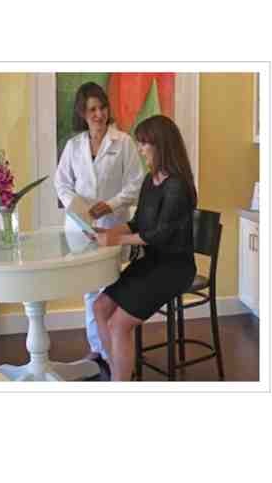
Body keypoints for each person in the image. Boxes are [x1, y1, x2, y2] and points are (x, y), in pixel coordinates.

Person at [91, 115, 198, 381]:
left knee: (118, 325)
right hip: (151, 264)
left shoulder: (177, 186)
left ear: (160, 145)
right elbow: (137, 223)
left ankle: (120, 381)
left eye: (143, 143)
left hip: (174, 269)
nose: (139, 149)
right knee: (100, 307)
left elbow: (158, 235)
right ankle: (119, 372)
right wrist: (108, 233)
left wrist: (115, 240)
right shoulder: (150, 181)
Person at [55, 82, 145, 369]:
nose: (99, 114)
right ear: (82, 113)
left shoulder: (124, 142)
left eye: (102, 107)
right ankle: (97, 348)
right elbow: (62, 183)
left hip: (113, 224)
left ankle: (113, 352)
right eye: (92, 109)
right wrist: (78, 206)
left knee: (110, 287)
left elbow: (135, 183)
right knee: (89, 288)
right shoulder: (74, 146)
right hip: (81, 226)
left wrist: (111, 204)